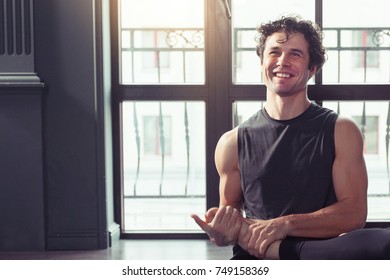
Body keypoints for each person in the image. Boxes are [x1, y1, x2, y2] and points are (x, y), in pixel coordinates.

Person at [191, 15, 390, 260]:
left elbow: (354, 215)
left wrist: (284, 224)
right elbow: (231, 225)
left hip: (318, 261)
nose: (282, 61)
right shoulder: (231, 142)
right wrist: (221, 233)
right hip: (256, 261)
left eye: (295, 54)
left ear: (312, 69)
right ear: (262, 62)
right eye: (274, 52)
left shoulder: (341, 130)